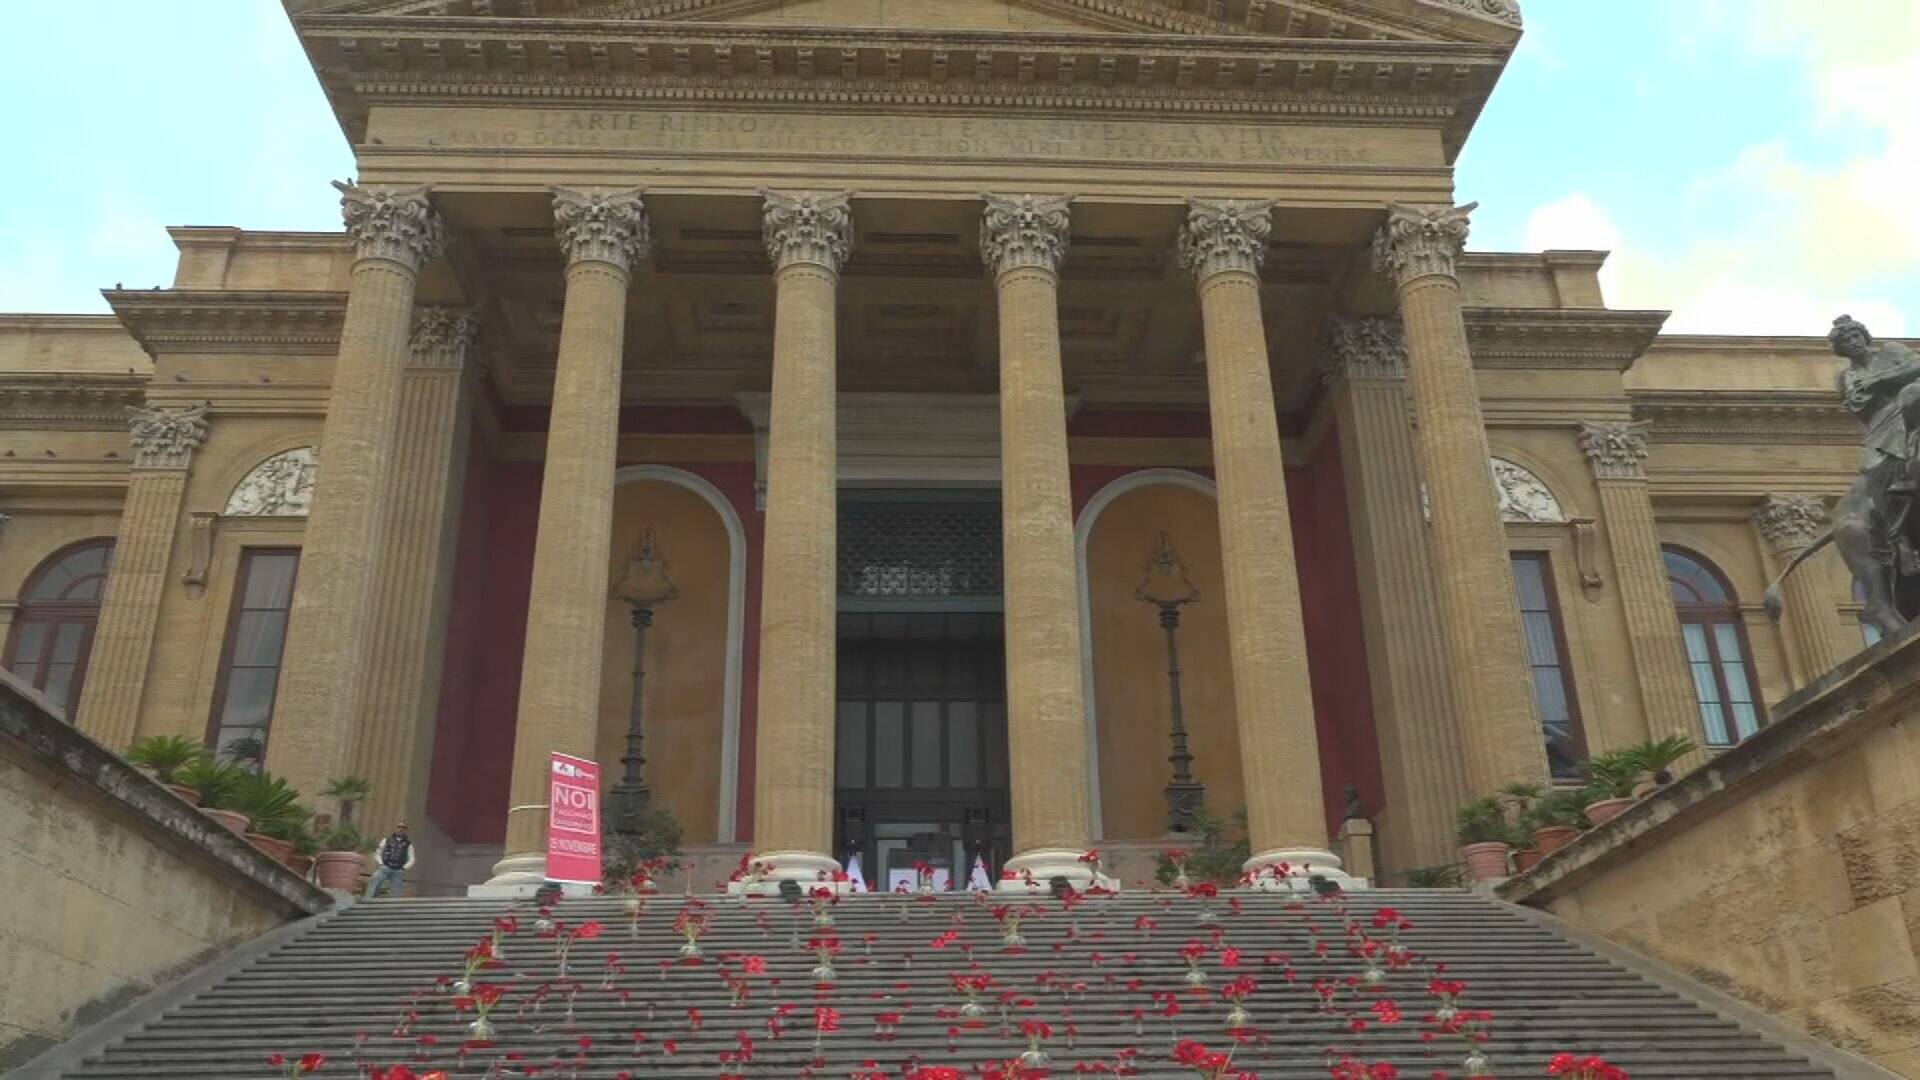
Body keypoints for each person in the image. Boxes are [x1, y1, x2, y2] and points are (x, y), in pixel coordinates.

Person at [364, 822, 415, 899]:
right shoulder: (387, 839)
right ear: (396, 828)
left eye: (403, 828)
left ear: (406, 830)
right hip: (385, 867)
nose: (401, 829)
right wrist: (381, 864)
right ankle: (367, 901)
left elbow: (412, 858)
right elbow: (378, 852)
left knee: (396, 891)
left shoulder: (408, 844)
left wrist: (404, 868)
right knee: (374, 880)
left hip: (398, 870)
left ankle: (393, 907)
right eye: (399, 827)